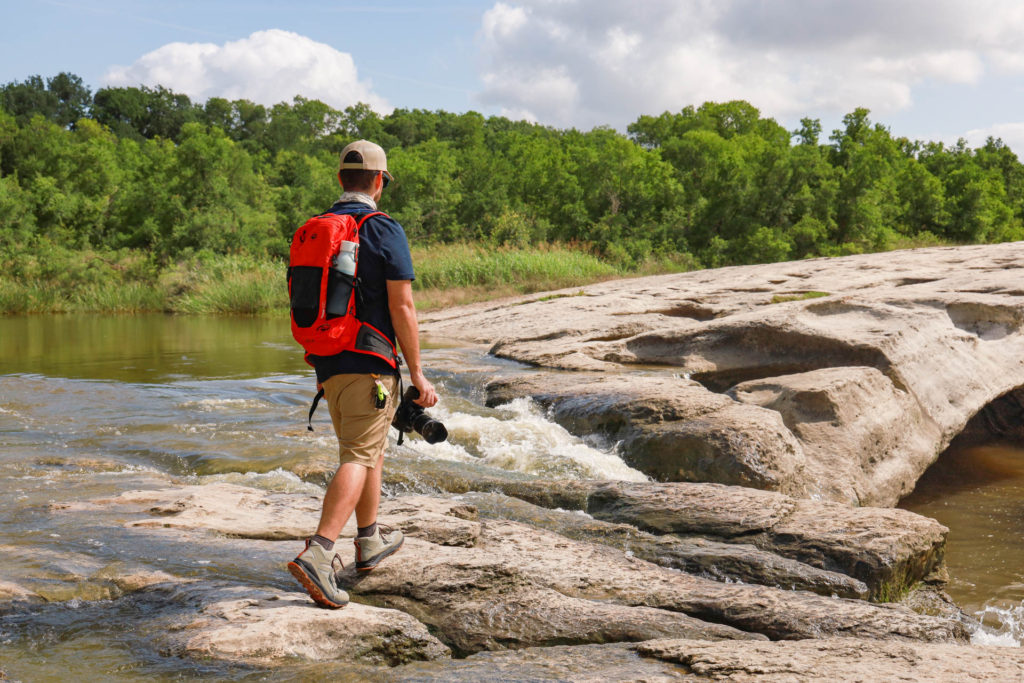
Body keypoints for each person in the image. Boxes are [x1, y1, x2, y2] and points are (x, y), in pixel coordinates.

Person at [287, 140, 438, 609]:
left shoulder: (315, 229)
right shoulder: (382, 229)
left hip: (328, 366)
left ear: (340, 181)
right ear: (379, 182)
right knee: (358, 454)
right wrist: (418, 372)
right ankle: (319, 552)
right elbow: (403, 306)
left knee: (366, 450)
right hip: (371, 363)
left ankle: (369, 541)